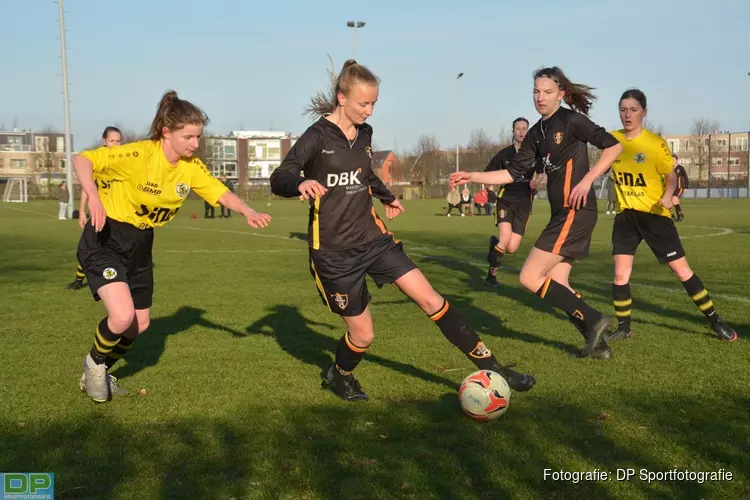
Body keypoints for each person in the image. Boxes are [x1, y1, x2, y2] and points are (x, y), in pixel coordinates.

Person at [270, 59, 535, 401]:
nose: (370, 110)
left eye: (374, 103)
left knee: (431, 299)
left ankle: (496, 369)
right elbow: (280, 177)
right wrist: (301, 182)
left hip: (373, 239)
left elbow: (365, 173)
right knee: (363, 337)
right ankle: (340, 374)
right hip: (334, 254)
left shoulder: (364, 133)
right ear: (342, 98)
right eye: (364, 103)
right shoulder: (316, 136)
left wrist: (388, 197)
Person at [74, 90, 272, 402]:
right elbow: (81, 159)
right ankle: (94, 364)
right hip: (106, 236)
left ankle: (100, 368)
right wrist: (94, 197)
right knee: (122, 316)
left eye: (198, 136)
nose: (196, 144)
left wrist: (248, 210)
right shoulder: (139, 154)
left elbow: (220, 192)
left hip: (140, 243)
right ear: (167, 132)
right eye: (189, 136)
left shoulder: (190, 167)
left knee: (139, 324)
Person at [451, 66, 623, 360]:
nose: (540, 97)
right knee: (559, 285)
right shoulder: (536, 133)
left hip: (576, 211)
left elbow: (614, 146)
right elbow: (512, 173)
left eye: (547, 92)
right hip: (562, 214)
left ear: (561, 94)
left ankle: (594, 319)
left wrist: (587, 180)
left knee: (529, 277)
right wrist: (471, 175)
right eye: (535, 91)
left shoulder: (571, 120)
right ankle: (598, 345)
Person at [604, 89, 737, 343]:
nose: (627, 115)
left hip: (655, 216)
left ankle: (715, 321)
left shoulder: (655, 143)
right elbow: (602, 166)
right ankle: (624, 328)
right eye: (623, 109)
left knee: (681, 271)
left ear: (644, 112)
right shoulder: (612, 140)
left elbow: (671, 175)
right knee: (620, 274)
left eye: (633, 109)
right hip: (626, 218)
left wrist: (668, 194)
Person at [483, 117, 545, 287]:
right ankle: (491, 277)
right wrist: (490, 186)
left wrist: (537, 182)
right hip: (506, 200)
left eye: (524, 128)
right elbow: (489, 172)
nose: (521, 132)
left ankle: (493, 247)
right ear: (513, 131)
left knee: (511, 248)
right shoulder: (505, 154)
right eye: (518, 129)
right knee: (505, 239)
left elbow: (541, 174)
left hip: (524, 204)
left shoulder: (534, 154)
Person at [68, 126, 122, 291]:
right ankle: (79, 280)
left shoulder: (125, 159)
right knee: (91, 247)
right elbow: (87, 187)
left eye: (119, 141)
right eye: (112, 141)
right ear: (105, 141)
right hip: (100, 214)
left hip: (120, 214)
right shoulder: (98, 159)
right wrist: (82, 210)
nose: (116, 144)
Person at [671, 154, 688, 222]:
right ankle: (679, 215)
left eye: (674, 160)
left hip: (679, 187)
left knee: (674, 199)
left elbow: (685, 177)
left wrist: (686, 186)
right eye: (671, 160)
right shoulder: (670, 168)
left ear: (677, 160)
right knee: (675, 201)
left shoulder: (680, 168)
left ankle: (677, 215)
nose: (672, 161)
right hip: (672, 188)